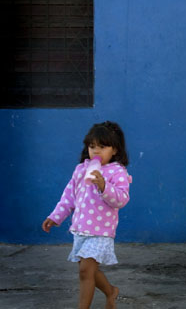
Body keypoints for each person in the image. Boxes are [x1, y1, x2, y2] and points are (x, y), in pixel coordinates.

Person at [42, 121, 132, 309]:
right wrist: (55, 216)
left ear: (114, 150)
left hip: (101, 231)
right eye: (92, 147)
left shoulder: (118, 172)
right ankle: (110, 291)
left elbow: (121, 199)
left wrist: (103, 186)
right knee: (89, 271)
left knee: (85, 271)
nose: (96, 152)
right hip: (81, 230)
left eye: (102, 147)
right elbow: (69, 197)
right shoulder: (81, 170)